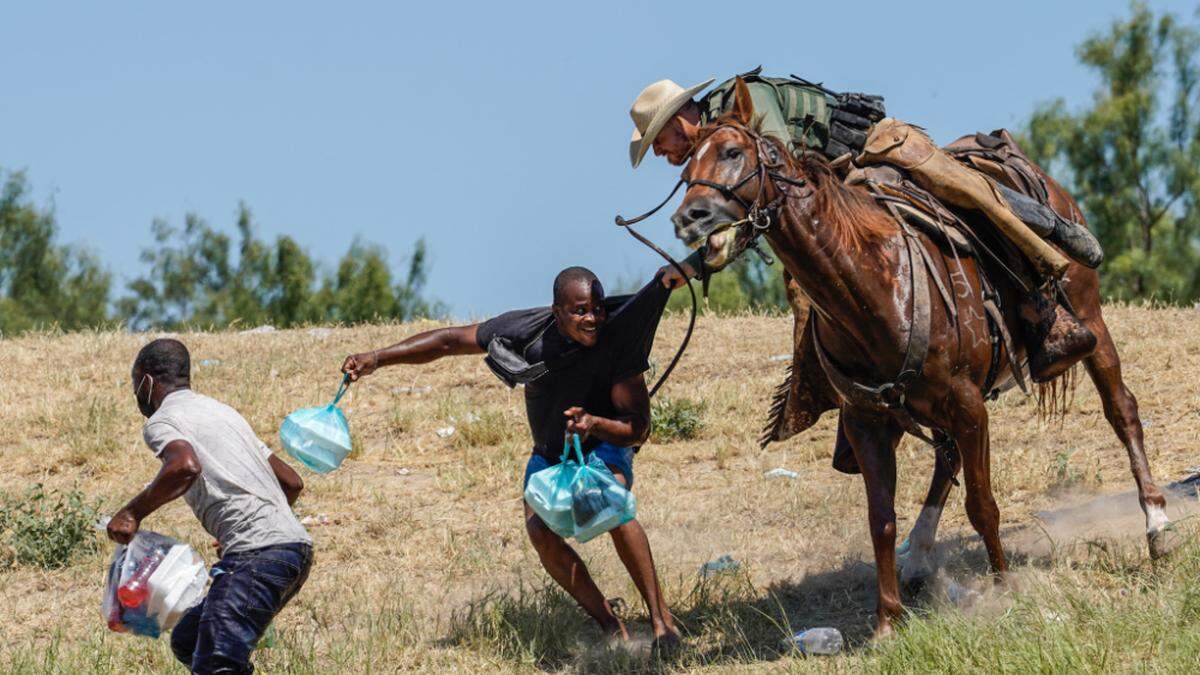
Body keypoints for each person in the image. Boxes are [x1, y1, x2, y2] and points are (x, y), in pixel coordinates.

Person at [628, 70, 1097, 453]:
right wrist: (693, 264)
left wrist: (700, 259)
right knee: (811, 287)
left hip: (876, 152)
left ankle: (1046, 274)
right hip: (836, 192)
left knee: (965, 195)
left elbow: (776, 174)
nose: (660, 153)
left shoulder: (741, 105)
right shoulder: (713, 153)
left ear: (680, 117)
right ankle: (856, 397)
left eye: (658, 140)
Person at [341, 267, 681, 651]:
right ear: (557, 312)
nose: (593, 319)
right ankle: (608, 624)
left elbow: (638, 428)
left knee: (609, 503)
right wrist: (377, 358)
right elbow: (450, 341)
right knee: (540, 533)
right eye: (581, 310)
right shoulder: (527, 330)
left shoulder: (618, 342)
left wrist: (594, 423)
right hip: (550, 455)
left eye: (599, 309)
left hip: (602, 444)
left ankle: (661, 623)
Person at [107, 338, 313, 674]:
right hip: (294, 550)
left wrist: (132, 513)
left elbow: (184, 466)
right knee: (190, 639)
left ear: (146, 380)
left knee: (217, 664)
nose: (136, 395)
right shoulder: (223, 412)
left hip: (257, 555)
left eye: (135, 384)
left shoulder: (163, 421)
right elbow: (291, 482)